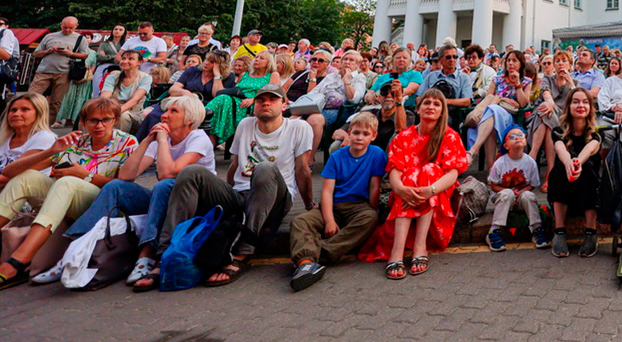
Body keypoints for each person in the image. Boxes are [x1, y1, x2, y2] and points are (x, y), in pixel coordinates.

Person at [34, 95, 214, 288]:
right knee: (115, 187)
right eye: (166, 110)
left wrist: (162, 142)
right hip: (164, 197)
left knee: (162, 186)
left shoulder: (198, 138)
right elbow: (126, 176)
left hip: (193, 203)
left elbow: (166, 173)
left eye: (173, 111)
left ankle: (147, 255)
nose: (164, 115)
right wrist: (147, 141)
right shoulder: (160, 139)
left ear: (190, 119)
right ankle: (71, 251)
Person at [157, 84, 313, 287]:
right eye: (260, 100)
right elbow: (234, 166)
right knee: (191, 172)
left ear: (284, 105)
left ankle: (243, 253)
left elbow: (303, 170)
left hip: (276, 197)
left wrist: (309, 205)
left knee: (264, 168)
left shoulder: (298, 127)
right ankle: (167, 252)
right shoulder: (245, 125)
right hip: (241, 194)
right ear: (254, 105)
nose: (266, 103)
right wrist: (226, 191)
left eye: (272, 100)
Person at [0, 98, 137, 289]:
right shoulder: (77, 141)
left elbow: (123, 187)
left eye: (105, 120)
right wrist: (51, 151)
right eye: (93, 120)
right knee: (26, 177)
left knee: (68, 182)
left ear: (115, 120)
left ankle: (20, 260)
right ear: (84, 122)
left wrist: (86, 175)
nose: (99, 125)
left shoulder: (127, 142)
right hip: (64, 196)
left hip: (100, 203)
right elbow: (8, 172)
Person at [358, 88, 469, 279]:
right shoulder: (403, 137)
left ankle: (420, 247)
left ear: (442, 111)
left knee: (430, 170)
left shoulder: (450, 136)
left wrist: (430, 190)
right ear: (418, 109)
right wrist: (400, 188)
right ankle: (397, 251)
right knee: (408, 176)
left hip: (437, 193)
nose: (431, 107)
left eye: (436, 104)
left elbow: (453, 173)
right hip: (406, 193)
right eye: (426, 103)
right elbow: (395, 171)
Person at [288, 111, 386, 292]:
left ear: (373, 137)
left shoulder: (376, 154)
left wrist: (373, 210)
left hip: (358, 207)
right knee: (300, 221)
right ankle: (305, 262)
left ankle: (316, 255)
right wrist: (330, 219)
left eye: (365, 134)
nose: (359, 138)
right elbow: (327, 191)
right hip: (333, 205)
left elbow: (374, 186)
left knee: (369, 218)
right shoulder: (337, 157)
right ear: (349, 133)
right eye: (356, 133)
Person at [548, 87, 602, 258]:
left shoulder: (596, 133)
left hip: (587, 188)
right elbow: (560, 149)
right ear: (569, 106)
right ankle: (560, 231)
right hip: (565, 186)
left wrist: (577, 162)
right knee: (559, 169)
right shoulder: (557, 130)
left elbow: (590, 148)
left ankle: (591, 231)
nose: (581, 105)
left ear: (590, 108)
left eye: (585, 102)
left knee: (588, 169)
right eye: (576, 101)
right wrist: (569, 163)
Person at [485, 126, 547, 252]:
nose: (517, 138)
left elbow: (533, 184)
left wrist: (521, 192)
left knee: (529, 196)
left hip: (521, 198)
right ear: (506, 145)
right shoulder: (500, 163)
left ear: (525, 141)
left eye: (520, 135)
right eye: (512, 136)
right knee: (507, 194)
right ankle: (494, 231)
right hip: (503, 198)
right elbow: (493, 185)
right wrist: (511, 192)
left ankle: (537, 228)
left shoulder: (530, 162)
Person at [465, 50, 531, 168]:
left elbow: (522, 104)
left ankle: (473, 150)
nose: (510, 63)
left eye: (514, 60)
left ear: (521, 63)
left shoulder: (526, 81)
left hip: (511, 118)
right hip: (492, 116)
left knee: (492, 110)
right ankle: (491, 167)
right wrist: (504, 99)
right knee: (492, 113)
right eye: (508, 60)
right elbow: (489, 96)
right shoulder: (498, 79)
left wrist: (518, 84)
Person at [28, 16, 91, 123]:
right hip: (44, 71)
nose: (67, 30)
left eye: (71, 28)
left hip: (64, 73)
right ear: (61, 24)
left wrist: (70, 53)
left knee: (56, 102)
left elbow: (85, 55)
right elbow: (36, 53)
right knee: (31, 97)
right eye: (65, 27)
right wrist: (48, 51)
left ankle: (47, 125)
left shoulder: (80, 39)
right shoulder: (50, 36)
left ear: (76, 26)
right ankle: (29, 120)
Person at [529, 50, 574, 186]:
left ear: (570, 65)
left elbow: (576, 101)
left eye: (564, 61)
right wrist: (550, 102)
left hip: (563, 119)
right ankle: (550, 173)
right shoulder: (548, 79)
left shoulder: (574, 83)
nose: (560, 64)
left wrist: (570, 81)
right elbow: (546, 94)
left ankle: (531, 159)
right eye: (558, 61)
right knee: (546, 112)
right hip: (543, 115)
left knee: (547, 113)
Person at [0, 93, 56, 190]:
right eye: (13, 110)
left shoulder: (44, 138)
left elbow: (11, 174)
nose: (17, 114)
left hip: (22, 196)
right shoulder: (4, 138)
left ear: (39, 113)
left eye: (25, 109)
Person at [101, 49, 152, 133]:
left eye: (131, 59)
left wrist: (115, 113)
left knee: (122, 116)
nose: (125, 61)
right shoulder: (113, 76)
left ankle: (118, 143)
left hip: (134, 114)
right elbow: (105, 97)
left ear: (139, 62)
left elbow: (135, 100)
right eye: (123, 58)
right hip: (111, 109)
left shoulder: (145, 78)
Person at [55, 45, 98, 129]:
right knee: (68, 98)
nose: (86, 39)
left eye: (88, 37)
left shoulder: (93, 53)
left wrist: (88, 74)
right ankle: (61, 119)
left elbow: (93, 65)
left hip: (85, 79)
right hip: (73, 77)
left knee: (81, 99)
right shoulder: (74, 50)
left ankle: (74, 120)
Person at [169, 51, 236, 102]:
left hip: (209, 106)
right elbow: (173, 89)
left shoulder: (229, 76)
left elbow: (217, 96)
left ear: (221, 65)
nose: (206, 63)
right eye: (206, 60)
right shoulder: (193, 70)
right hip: (186, 101)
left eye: (212, 62)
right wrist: (185, 92)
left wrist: (217, 75)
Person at [91, 24, 126, 97]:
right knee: (98, 88)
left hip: (121, 68)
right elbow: (99, 57)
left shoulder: (126, 44)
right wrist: (116, 57)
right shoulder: (104, 44)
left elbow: (127, 57)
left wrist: (107, 56)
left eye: (120, 30)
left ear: (124, 32)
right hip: (104, 68)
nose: (117, 31)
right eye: (115, 29)